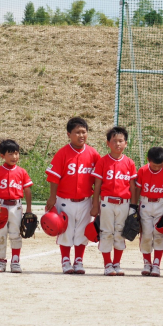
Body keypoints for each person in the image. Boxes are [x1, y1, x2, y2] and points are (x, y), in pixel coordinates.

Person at [45, 117, 100, 274]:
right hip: (64, 200)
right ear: (69, 134)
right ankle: (65, 261)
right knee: (65, 231)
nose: (81, 135)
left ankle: (79, 261)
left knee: (83, 231)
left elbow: (99, 179)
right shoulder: (63, 153)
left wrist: (97, 202)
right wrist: (52, 197)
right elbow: (54, 177)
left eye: (84, 132)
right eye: (77, 132)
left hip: (85, 200)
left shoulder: (93, 153)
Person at [90, 126, 138, 277]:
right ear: (108, 143)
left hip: (124, 203)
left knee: (120, 233)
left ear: (126, 143)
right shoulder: (103, 162)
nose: (118, 144)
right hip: (107, 203)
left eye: (121, 141)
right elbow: (97, 185)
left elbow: (133, 186)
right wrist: (95, 204)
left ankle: (116, 263)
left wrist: (134, 207)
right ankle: (107, 264)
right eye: (114, 141)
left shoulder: (129, 163)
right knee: (106, 233)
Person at [0, 139, 33, 273]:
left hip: (16, 207)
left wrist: (29, 209)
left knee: (16, 233)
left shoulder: (22, 172)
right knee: (0, 233)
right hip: (1, 206)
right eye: (10, 154)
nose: (14, 157)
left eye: (16, 153)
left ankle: (15, 261)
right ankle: (0, 261)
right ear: (2, 156)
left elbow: (27, 190)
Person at [136, 147, 163, 277]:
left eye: (160, 165)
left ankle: (157, 264)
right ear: (148, 160)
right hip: (145, 204)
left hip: (161, 204)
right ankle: (147, 263)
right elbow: (137, 189)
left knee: (159, 234)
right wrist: (134, 205)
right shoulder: (142, 170)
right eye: (154, 165)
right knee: (146, 233)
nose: (157, 168)